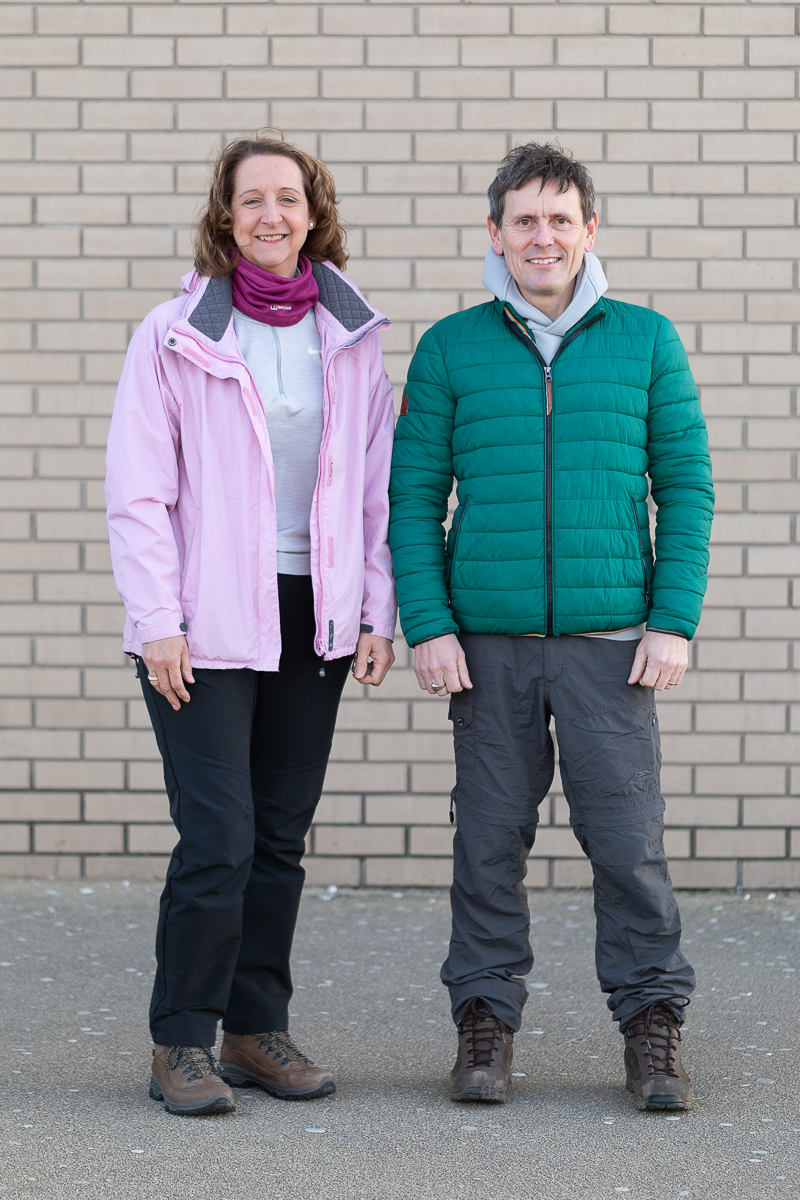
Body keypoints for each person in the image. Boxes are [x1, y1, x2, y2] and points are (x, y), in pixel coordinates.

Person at [388, 142, 714, 1112]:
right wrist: (428, 623)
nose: (541, 236)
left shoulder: (644, 339)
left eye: (557, 219)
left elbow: (684, 487)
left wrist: (671, 620)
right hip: (483, 649)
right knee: (486, 845)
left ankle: (650, 1026)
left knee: (626, 847)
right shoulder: (450, 346)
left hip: (610, 645)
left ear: (587, 230)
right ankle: (483, 1025)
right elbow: (411, 499)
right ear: (494, 233)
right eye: (522, 220)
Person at [106, 132, 397, 1116]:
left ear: (312, 212)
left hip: (309, 613)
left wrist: (373, 609)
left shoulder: (351, 337)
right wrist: (157, 621)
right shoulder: (174, 332)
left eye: (287, 197)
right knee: (219, 835)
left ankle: (253, 1030)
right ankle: (179, 1040)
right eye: (250, 201)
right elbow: (138, 492)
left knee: (278, 834)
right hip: (203, 621)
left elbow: (372, 493)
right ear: (224, 219)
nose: (270, 214)